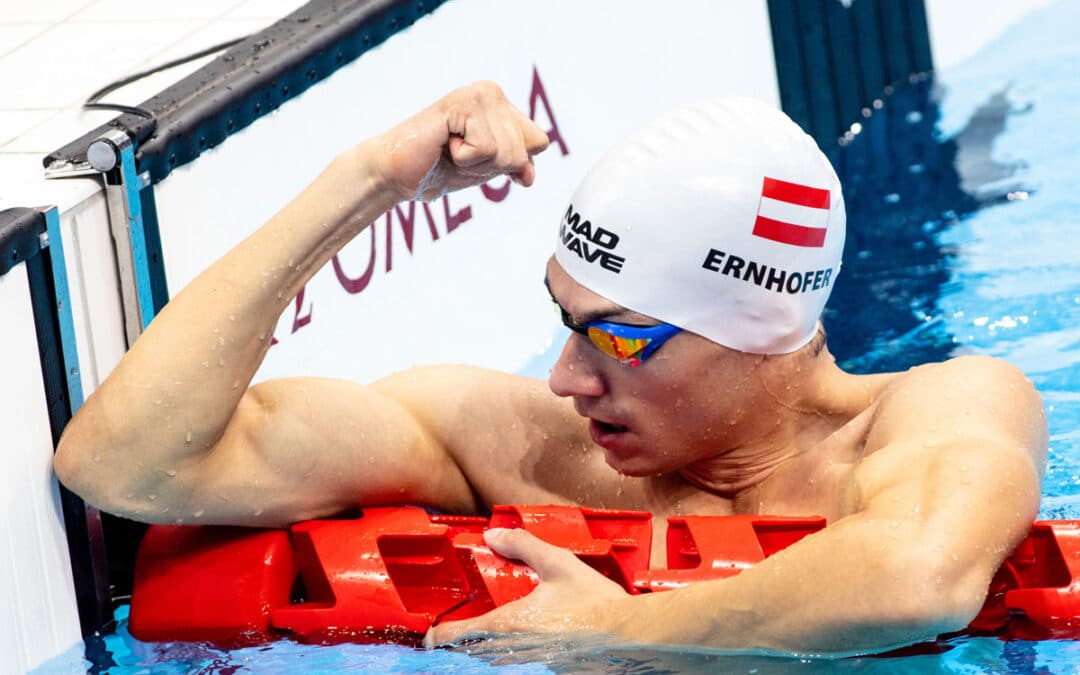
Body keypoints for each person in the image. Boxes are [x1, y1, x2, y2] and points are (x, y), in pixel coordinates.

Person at [54, 82, 1047, 655]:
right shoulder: (519, 441)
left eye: (619, 336)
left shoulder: (947, 407)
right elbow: (131, 467)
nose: (570, 380)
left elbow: (920, 576)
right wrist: (364, 185)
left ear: (756, 328)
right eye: (564, 324)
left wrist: (616, 634)